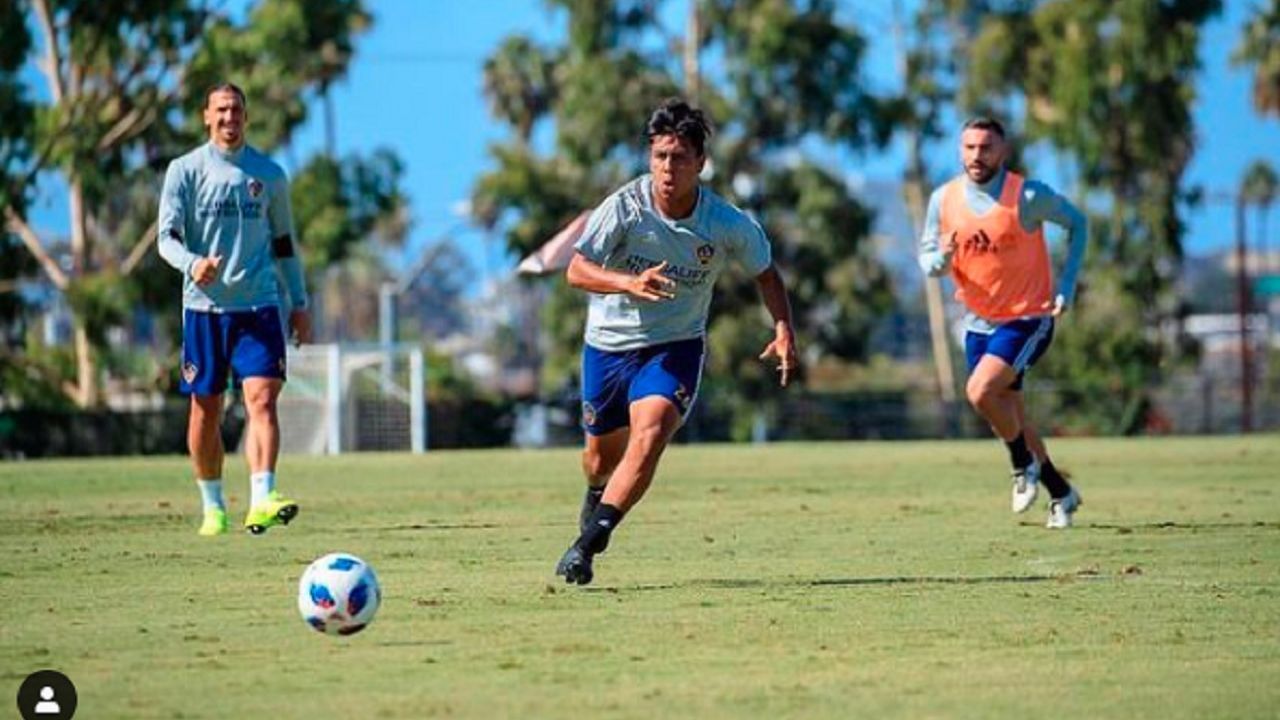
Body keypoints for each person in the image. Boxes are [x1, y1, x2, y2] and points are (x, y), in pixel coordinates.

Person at [555, 99, 799, 585]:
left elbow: (766, 275)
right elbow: (576, 270)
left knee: (648, 438)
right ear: (650, 158)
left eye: (680, 157)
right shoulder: (624, 207)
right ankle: (596, 495)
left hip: (675, 346)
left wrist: (784, 328)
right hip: (607, 345)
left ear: (700, 164)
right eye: (660, 156)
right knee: (598, 459)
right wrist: (628, 283)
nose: (669, 168)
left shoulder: (727, 223)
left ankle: (588, 544)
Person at [158, 83, 311, 536]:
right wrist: (193, 264)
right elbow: (165, 238)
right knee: (205, 409)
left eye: (237, 110)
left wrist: (299, 301)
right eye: (221, 110)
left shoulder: (269, 174)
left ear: (247, 116)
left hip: (260, 307)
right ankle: (213, 505)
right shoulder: (184, 171)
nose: (230, 118)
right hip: (203, 309)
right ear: (206, 116)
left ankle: (263, 496)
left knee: (262, 400)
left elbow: (284, 244)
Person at [919, 116, 1087, 529]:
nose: (977, 155)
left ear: (1003, 152)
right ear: (961, 151)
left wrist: (1067, 285)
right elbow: (928, 260)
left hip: (1028, 318)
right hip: (977, 323)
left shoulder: (1027, 195)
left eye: (986, 147)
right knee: (1011, 412)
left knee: (979, 392)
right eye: (970, 147)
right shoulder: (943, 200)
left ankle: (1019, 466)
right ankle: (1061, 493)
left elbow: (1078, 223)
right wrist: (940, 258)